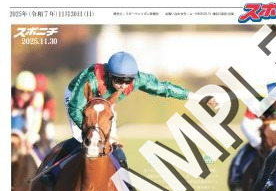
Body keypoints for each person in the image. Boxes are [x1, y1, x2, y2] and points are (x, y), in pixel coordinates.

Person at [46, 51, 218, 173]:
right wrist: (91, 129)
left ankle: (123, 181)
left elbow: (165, 89)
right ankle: (52, 172)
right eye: (119, 80)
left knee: (113, 143)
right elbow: (75, 107)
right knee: (83, 138)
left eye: (128, 80)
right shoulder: (91, 79)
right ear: (109, 75)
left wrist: (198, 97)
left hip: (106, 104)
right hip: (79, 99)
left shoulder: (138, 80)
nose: (123, 85)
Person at [11, 70, 44, 165]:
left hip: (29, 129)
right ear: (16, 89)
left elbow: (36, 121)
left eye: (28, 92)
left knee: (42, 152)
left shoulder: (37, 98)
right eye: (21, 91)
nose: (24, 94)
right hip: (13, 128)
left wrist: (30, 138)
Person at [35, 73, 57, 149]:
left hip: (45, 119)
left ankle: (52, 143)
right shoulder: (32, 94)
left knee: (49, 128)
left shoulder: (48, 96)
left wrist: (45, 115)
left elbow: (51, 112)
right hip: (35, 118)